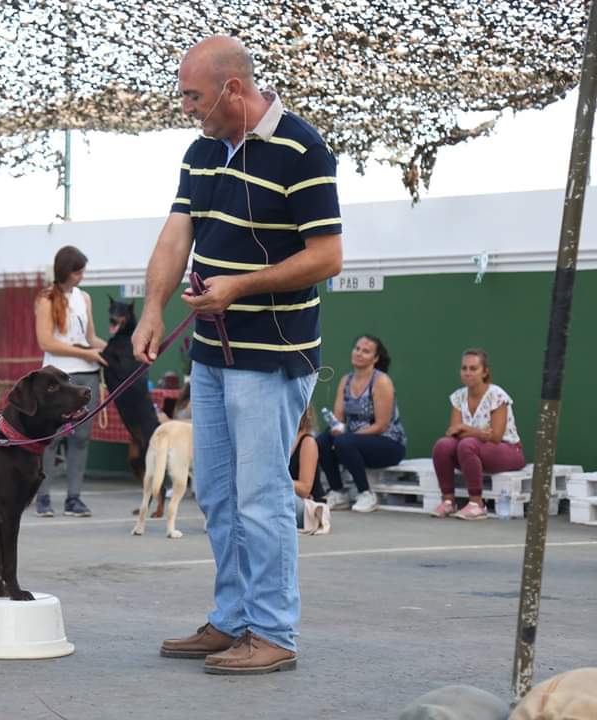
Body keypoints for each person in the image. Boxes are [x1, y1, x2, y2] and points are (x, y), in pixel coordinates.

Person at [132, 35, 343, 674]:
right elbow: (177, 235)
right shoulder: (201, 151)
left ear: (232, 88)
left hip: (272, 356)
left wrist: (240, 287)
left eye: (194, 96)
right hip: (211, 355)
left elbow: (327, 257)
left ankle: (274, 633)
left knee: (261, 496)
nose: (187, 107)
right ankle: (231, 621)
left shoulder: (301, 149)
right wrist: (151, 308)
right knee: (219, 495)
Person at [33, 245, 107, 518]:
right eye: (77, 271)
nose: (81, 276)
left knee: (81, 438)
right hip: (57, 376)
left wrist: (113, 350)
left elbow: (91, 337)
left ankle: (74, 498)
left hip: (87, 375)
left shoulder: (84, 298)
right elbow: (46, 342)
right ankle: (43, 497)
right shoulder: (46, 299)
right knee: (51, 439)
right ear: (65, 271)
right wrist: (86, 353)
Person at [430, 349, 525, 520]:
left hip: (509, 451)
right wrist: (479, 433)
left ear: (485, 372)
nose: (467, 373)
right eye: (464, 368)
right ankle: (449, 501)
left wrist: (468, 431)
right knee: (443, 445)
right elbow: (453, 432)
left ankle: (477, 504)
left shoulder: (497, 395)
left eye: (473, 369)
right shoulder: (458, 397)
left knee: (467, 444)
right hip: (473, 450)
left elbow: (496, 436)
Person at [317, 335, 407, 513]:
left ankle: (366, 493)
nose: (359, 353)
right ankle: (338, 491)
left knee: (344, 442)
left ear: (375, 358)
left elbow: (381, 425)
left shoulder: (381, 381)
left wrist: (347, 436)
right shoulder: (346, 380)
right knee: (322, 440)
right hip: (353, 443)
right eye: (357, 348)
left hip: (388, 444)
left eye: (366, 351)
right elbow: (339, 418)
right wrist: (336, 427)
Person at [291, 406, 325, 529]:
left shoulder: (308, 442)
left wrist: (276, 480)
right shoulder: (279, 440)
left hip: (307, 506)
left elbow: (305, 489)